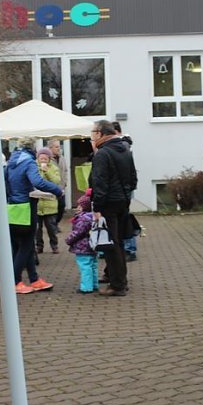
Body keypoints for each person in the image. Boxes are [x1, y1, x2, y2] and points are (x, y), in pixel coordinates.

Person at [5, 138, 63, 294]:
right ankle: (14, 281)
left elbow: (5, 182)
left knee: (22, 245)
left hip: (12, 207)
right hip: (26, 207)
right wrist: (57, 191)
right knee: (26, 245)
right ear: (33, 149)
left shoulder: (11, 162)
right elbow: (39, 182)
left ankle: (34, 279)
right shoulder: (29, 162)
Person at [89, 120, 137, 297]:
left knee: (111, 244)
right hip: (122, 201)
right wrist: (125, 196)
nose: (92, 136)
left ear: (100, 134)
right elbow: (133, 179)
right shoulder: (125, 150)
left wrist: (97, 206)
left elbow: (100, 182)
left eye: (93, 132)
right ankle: (120, 281)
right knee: (119, 243)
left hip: (108, 203)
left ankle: (117, 285)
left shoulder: (102, 154)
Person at [112, 121, 137, 261]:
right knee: (124, 217)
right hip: (125, 187)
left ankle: (130, 248)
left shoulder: (122, 145)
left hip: (123, 188)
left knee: (125, 219)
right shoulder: (126, 144)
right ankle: (128, 247)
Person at [65, 193, 98, 294]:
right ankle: (94, 284)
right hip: (93, 245)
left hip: (82, 247)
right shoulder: (93, 217)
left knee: (85, 266)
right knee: (93, 266)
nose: (77, 208)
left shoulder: (83, 219)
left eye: (80, 205)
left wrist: (68, 239)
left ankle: (86, 287)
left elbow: (78, 232)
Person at [35, 148, 61, 254]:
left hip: (50, 203)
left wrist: (47, 171)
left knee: (51, 227)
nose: (43, 161)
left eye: (45, 159)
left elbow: (56, 181)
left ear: (49, 159)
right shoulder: (33, 167)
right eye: (41, 158)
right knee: (37, 228)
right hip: (37, 203)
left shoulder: (53, 168)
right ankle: (39, 246)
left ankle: (54, 245)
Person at [47, 139, 68, 225]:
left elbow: (65, 170)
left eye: (59, 146)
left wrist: (65, 182)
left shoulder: (62, 157)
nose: (59, 148)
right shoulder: (47, 159)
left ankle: (55, 223)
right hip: (52, 188)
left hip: (61, 188)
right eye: (56, 147)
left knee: (62, 206)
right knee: (53, 208)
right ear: (50, 148)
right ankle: (53, 226)